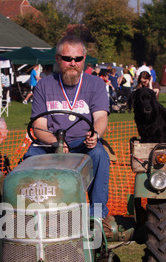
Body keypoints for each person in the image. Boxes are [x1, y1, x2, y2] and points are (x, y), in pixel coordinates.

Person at [23, 35, 111, 224]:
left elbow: (101, 117)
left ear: (84, 59)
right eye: (67, 59)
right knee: (30, 158)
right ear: (57, 59)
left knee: (99, 153)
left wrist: (94, 134)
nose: (73, 63)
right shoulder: (43, 86)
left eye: (78, 59)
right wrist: (54, 142)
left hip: (82, 143)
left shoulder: (95, 84)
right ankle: (32, 215)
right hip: (50, 143)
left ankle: (97, 216)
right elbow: (39, 126)